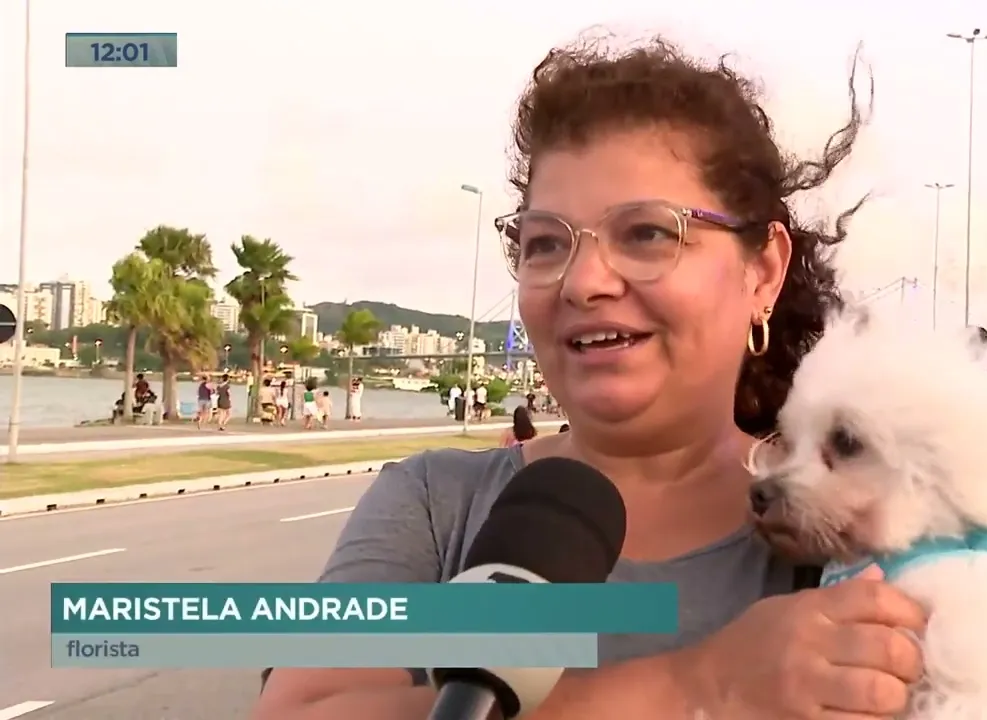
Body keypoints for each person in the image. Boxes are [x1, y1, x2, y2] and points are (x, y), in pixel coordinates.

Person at [253, 37, 924, 720]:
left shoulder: (870, 512)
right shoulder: (435, 504)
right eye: (545, 243)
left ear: (764, 271)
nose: (583, 281)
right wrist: (700, 687)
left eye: (647, 234)